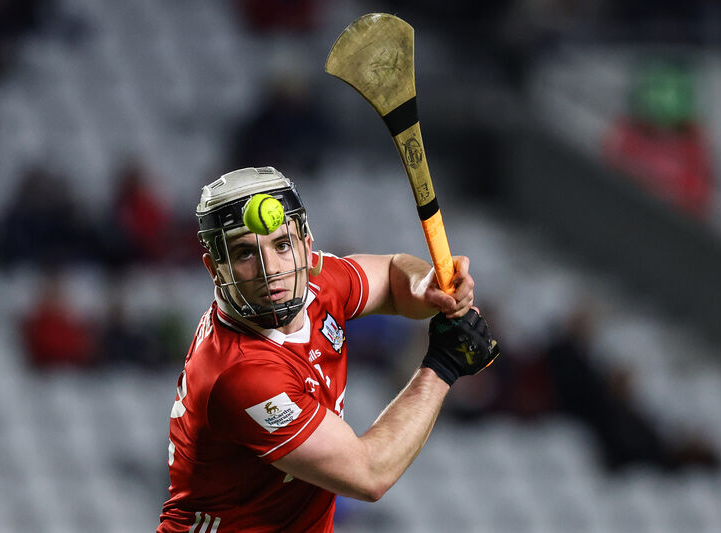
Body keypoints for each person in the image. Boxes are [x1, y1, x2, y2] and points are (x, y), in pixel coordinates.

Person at [157, 167, 500, 532]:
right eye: (244, 252)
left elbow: (390, 275)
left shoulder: (315, 283)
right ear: (215, 268)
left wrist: (425, 285)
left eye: (282, 244)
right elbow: (370, 475)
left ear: (306, 245)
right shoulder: (241, 375)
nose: (271, 269)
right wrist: (442, 366)